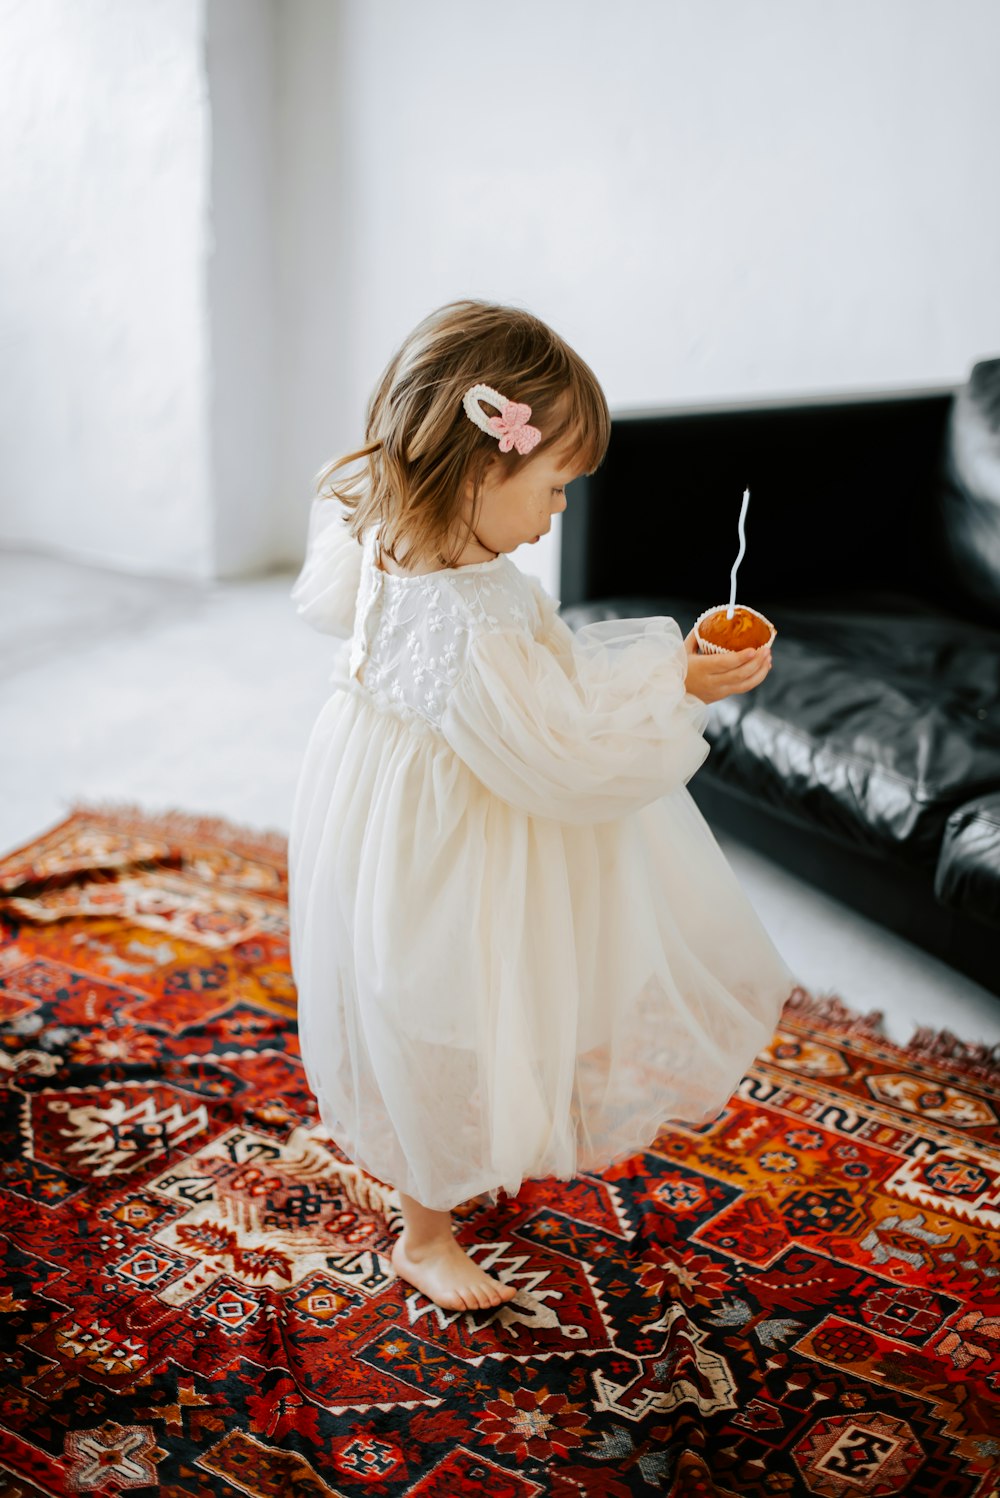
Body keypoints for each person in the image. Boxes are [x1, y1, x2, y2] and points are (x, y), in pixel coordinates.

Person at [287, 298, 797, 1315]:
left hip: (385, 793)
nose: (561, 509)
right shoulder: (474, 614)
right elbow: (559, 750)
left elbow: (535, 684)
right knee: (450, 1006)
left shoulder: (386, 521)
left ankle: (440, 1170)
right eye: (554, 484)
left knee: (421, 993)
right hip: (457, 831)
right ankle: (422, 1234)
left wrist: (659, 666)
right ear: (482, 464)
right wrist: (678, 688)